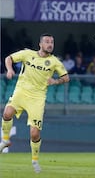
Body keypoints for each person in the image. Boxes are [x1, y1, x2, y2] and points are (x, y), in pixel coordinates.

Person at [0, 33, 70, 173]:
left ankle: (35, 160)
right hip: (21, 92)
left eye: (52, 42)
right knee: (7, 113)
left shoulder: (55, 62)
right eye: (47, 42)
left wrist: (55, 81)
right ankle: (6, 140)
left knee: (34, 133)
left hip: (37, 98)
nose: (50, 44)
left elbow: (66, 78)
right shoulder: (27, 54)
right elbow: (9, 58)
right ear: (40, 44)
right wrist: (9, 69)